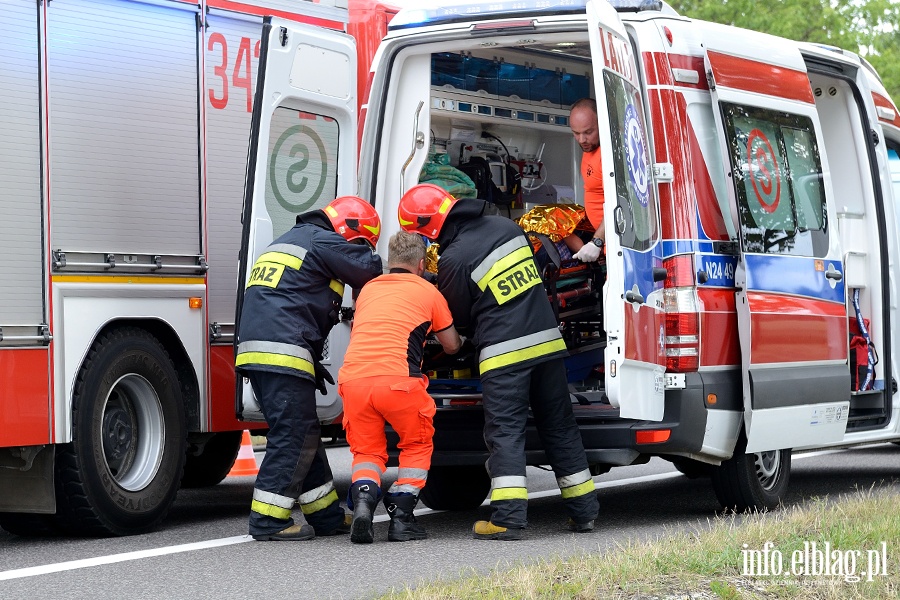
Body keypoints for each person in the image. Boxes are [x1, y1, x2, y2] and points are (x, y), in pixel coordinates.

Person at [398, 183, 599, 541]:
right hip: (547, 345)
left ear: (427, 229)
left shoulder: (455, 258)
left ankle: (507, 519)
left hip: (504, 356)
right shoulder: (507, 228)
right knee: (560, 427)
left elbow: (455, 319)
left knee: (506, 434)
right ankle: (584, 513)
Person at [235, 195, 384, 541]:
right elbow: (369, 269)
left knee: (305, 433)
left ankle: (328, 516)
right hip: (282, 351)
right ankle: (267, 521)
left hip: (263, 352)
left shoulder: (288, 241)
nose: (360, 248)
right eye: (360, 241)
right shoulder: (322, 239)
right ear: (350, 230)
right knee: (294, 435)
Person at [338, 231, 462, 544]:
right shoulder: (427, 291)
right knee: (416, 443)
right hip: (398, 382)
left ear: (390, 261)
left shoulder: (367, 290)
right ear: (421, 264)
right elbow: (451, 346)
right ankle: (402, 513)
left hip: (354, 381)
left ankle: (364, 500)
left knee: (366, 451)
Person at [569, 97, 606, 263]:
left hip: (615, 243)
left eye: (588, 132)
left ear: (602, 124)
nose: (582, 140)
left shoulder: (608, 156)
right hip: (605, 244)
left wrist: (597, 241)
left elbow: (622, 202)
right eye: (576, 133)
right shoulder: (589, 150)